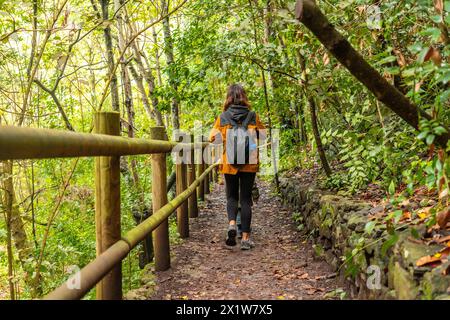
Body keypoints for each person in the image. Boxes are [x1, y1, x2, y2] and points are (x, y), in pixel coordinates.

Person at [209, 84, 266, 250]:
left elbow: (212, 138)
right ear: (243, 97)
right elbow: (263, 136)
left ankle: (232, 224)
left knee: (231, 197)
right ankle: (246, 239)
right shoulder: (253, 116)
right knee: (246, 200)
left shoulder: (223, 117)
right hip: (249, 163)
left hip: (229, 164)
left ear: (228, 98)